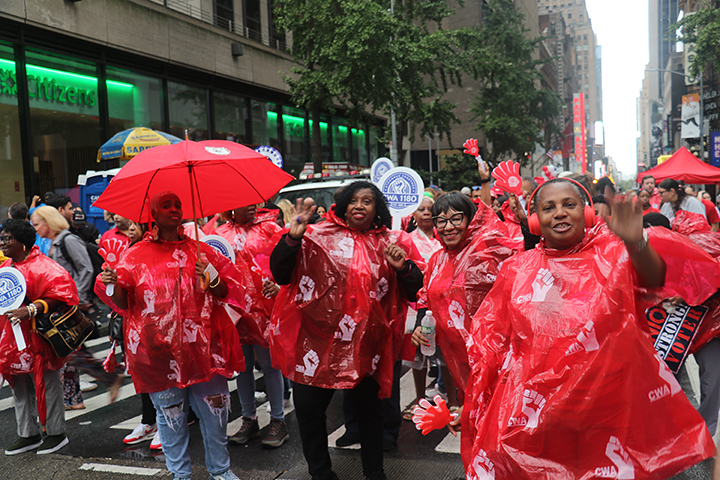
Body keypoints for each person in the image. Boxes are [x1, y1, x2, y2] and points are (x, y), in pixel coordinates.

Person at [451, 178, 716, 479]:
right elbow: (492, 349)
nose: (560, 213)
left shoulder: (613, 255)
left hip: (605, 409)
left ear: (586, 213)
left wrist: (636, 244)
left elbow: (653, 280)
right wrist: (475, 409)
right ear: (535, 220)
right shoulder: (516, 270)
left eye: (569, 204)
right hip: (539, 414)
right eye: (549, 208)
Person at [270, 181, 424, 480]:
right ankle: (321, 473)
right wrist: (292, 238)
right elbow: (280, 273)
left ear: (377, 209)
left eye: (367, 200)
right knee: (309, 412)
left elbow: (417, 290)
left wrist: (402, 267)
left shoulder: (392, 242)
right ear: (343, 206)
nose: (359, 205)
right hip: (316, 343)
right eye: (353, 200)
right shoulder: (316, 236)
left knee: (370, 414)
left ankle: (374, 473)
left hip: (366, 346)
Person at [101, 191, 245, 480]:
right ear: (153, 215)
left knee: (215, 414)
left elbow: (226, 291)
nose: (174, 209)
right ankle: (180, 474)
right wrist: (111, 283)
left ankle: (221, 470)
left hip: (205, 350)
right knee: (171, 418)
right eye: (166, 206)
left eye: (178, 205)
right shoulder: (135, 255)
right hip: (159, 354)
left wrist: (212, 276)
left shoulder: (202, 251)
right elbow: (123, 302)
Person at [411, 188, 520, 419]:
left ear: (470, 220)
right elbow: (426, 297)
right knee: (472, 419)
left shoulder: (487, 250)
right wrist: (421, 326)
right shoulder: (437, 260)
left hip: (494, 358)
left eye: (456, 219)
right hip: (458, 360)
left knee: (496, 417)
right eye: (441, 221)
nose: (448, 227)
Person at [212, 204, 290, 448]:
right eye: (244, 203)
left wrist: (280, 287)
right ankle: (249, 419)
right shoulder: (219, 234)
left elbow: (286, 260)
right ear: (231, 207)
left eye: (254, 202)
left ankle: (278, 420)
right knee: (242, 367)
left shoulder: (270, 228)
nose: (252, 206)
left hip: (264, 307)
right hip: (235, 309)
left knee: (270, 366)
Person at [0, 219, 76, 455]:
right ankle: (28, 434)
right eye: (1, 238)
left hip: (40, 337)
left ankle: (56, 433)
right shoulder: (6, 268)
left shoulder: (45, 266)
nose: (2, 243)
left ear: (22, 242)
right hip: (13, 339)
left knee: (48, 383)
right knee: (19, 385)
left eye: (7, 238)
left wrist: (31, 309)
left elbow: (63, 295)